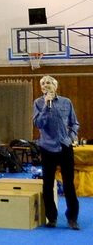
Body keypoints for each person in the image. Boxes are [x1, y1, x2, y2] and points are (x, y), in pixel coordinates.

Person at [32, 75, 80, 230]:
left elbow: (74, 123)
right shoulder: (38, 103)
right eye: (43, 83)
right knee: (47, 185)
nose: (46, 85)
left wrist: (71, 138)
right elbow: (38, 124)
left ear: (55, 86)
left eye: (49, 83)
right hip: (47, 147)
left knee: (69, 184)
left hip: (65, 147)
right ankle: (51, 218)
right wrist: (46, 106)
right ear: (41, 88)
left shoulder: (66, 102)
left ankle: (72, 218)